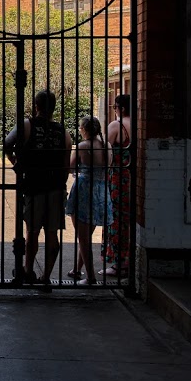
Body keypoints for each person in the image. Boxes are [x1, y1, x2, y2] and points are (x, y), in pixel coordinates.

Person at [2, 89, 72, 292]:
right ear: (54, 108)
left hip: (34, 185)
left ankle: (27, 270)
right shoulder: (63, 131)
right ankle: (46, 277)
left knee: (32, 231)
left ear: (36, 106)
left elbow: (7, 143)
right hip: (56, 187)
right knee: (52, 233)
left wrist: (16, 163)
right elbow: (66, 164)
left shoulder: (27, 125)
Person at [65, 115, 114, 285]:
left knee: (83, 238)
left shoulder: (82, 146)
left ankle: (90, 276)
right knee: (86, 235)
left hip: (84, 190)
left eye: (80, 128)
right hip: (101, 190)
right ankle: (77, 269)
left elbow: (70, 166)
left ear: (84, 129)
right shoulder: (106, 145)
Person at [103, 94, 132, 277]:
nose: (114, 111)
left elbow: (105, 152)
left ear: (120, 109)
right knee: (129, 220)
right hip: (132, 177)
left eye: (115, 107)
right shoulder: (137, 124)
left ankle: (118, 263)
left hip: (117, 178)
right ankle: (129, 259)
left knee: (115, 219)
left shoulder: (117, 125)